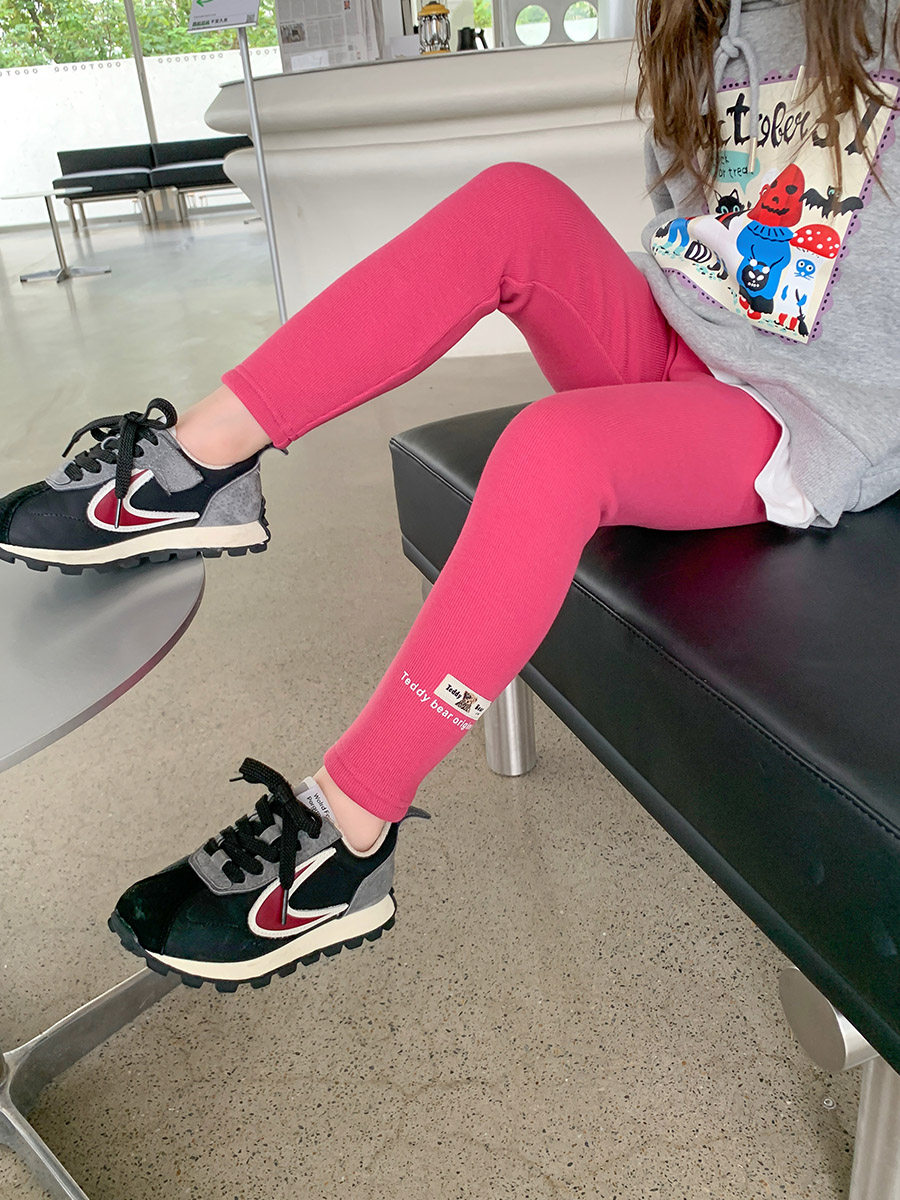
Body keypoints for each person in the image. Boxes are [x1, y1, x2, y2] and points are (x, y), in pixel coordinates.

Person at [1, 0, 897, 991]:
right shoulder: (701, 21)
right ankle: (191, 470)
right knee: (515, 203)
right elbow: (701, 227)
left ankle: (349, 834)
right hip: (684, 346)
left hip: (802, 412)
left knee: (550, 449)